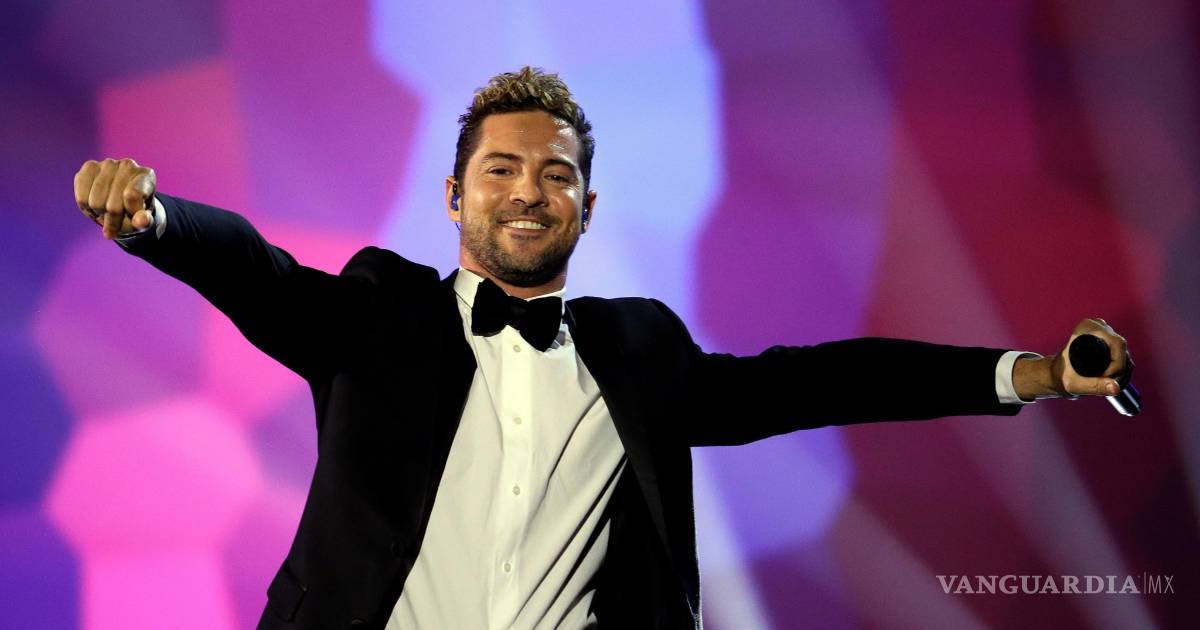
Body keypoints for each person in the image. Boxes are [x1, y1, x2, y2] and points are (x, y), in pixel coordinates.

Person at [73, 67, 1130, 629]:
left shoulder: (639, 350)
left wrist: (1032, 374)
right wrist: (157, 222)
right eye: (499, 170)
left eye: (557, 173)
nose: (528, 190)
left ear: (587, 205)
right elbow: (258, 273)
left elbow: (819, 381)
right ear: (454, 196)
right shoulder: (378, 314)